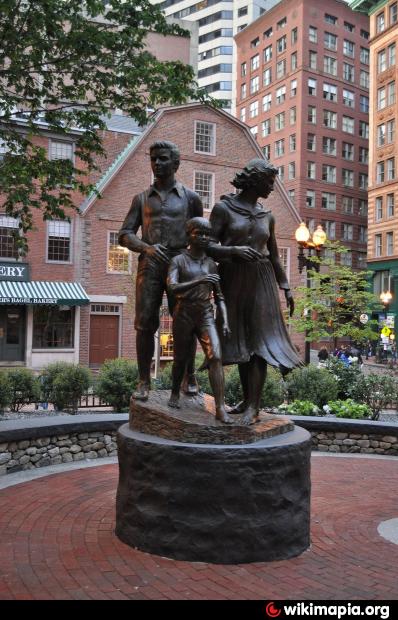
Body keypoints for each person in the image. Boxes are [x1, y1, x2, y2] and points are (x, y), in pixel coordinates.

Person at [209, 159, 302, 425]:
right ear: (255, 181)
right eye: (269, 182)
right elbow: (207, 246)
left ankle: (254, 405)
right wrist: (232, 251)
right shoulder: (223, 209)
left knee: (260, 341)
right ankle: (247, 400)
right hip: (233, 278)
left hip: (262, 279)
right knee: (240, 341)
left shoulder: (267, 216)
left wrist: (285, 286)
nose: (273, 187)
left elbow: (273, 255)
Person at [118, 141, 203, 401]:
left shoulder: (191, 198)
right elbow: (124, 234)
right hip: (151, 263)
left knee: (186, 323)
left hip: (182, 262)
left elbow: (200, 235)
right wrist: (147, 248)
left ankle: (190, 375)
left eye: (163, 159)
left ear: (176, 164)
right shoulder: (141, 199)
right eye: (153, 159)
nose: (157, 163)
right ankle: (144, 379)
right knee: (144, 324)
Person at [167, 217, 232, 424]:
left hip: (205, 313)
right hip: (183, 312)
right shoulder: (179, 260)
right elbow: (172, 287)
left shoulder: (211, 264)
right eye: (199, 233)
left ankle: (220, 407)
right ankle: (175, 391)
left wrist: (225, 321)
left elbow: (219, 296)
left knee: (215, 356)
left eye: (207, 234)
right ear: (189, 235)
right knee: (180, 358)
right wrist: (200, 280)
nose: (204, 238)